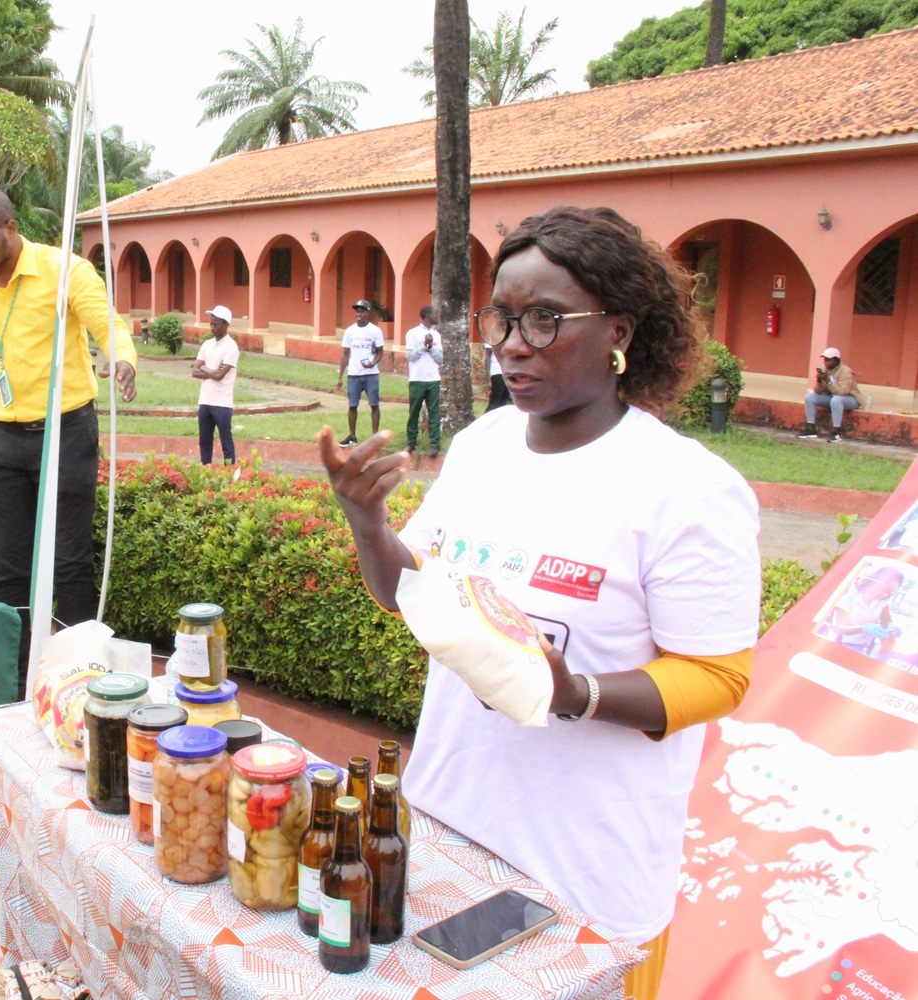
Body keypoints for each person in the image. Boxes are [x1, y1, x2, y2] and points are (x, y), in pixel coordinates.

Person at [320, 205, 761, 1000]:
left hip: (584, 881)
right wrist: (367, 522)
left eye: (546, 320)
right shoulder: (483, 447)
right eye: (502, 318)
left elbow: (719, 676)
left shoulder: (685, 489)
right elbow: (406, 592)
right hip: (449, 832)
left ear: (619, 331)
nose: (514, 344)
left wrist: (573, 693)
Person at [0, 186, 137, 697]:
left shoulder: (64, 271)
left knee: (70, 565)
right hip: (1, 440)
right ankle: (18, 683)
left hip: (66, 433)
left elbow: (105, 321)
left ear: (11, 229)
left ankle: (82, 683)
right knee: (6, 571)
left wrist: (122, 356)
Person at [819, 566, 903, 655]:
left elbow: (886, 625)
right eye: (884, 590)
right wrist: (865, 628)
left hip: (862, 649)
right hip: (840, 644)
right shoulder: (850, 597)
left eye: (889, 593)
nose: (884, 595)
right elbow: (838, 628)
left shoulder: (882, 604)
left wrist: (892, 629)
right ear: (874, 580)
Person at [193, 304, 239, 465]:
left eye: (215, 324)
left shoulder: (231, 347)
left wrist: (204, 368)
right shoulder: (207, 344)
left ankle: (229, 473)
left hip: (222, 403)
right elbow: (194, 371)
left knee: (226, 442)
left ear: (225, 324)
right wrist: (210, 370)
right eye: (211, 324)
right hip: (205, 400)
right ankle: (206, 471)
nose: (212, 327)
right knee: (204, 441)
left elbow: (220, 376)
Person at [336, 299, 384, 446]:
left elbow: (380, 352)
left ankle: (375, 437)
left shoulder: (375, 331)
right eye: (357, 311)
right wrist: (340, 376)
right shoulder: (350, 331)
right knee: (352, 406)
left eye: (362, 311)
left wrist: (372, 363)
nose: (359, 314)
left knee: (374, 405)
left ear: (368, 313)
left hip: (371, 374)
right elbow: (345, 354)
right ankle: (352, 436)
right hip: (354, 374)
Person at [403, 304, 443, 457]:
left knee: (434, 412)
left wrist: (431, 347)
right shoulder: (412, 333)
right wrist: (423, 345)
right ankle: (410, 442)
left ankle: (434, 444)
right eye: (435, 313)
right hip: (417, 379)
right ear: (427, 315)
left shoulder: (436, 335)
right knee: (414, 411)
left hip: (433, 379)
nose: (437, 316)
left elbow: (440, 359)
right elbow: (410, 356)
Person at [799, 346, 860, 441]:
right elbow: (817, 391)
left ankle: (836, 432)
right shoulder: (826, 370)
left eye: (829, 360)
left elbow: (842, 392)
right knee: (809, 397)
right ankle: (810, 428)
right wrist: (819, 380)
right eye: (825, 360)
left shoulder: (845, 372)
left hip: (850, 399)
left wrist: (828, 381)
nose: (826, 362)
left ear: (836, 360)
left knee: (836, 400)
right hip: (832, 398)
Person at [484, 342, 512, 411]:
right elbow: (487, 356)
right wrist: (488, 377)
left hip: (508, 372)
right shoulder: (491, 338)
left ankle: (499, 417)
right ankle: (488, 416)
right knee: (495, 401)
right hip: (497, 372)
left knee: (503, 401)